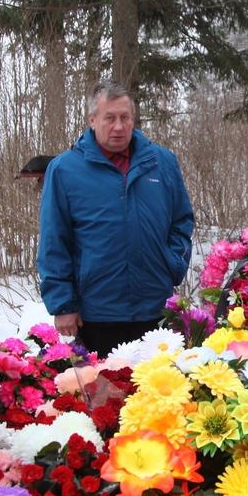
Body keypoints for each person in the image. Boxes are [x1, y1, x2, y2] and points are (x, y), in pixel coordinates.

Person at [38, 80, 194, 359]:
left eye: (125, 117)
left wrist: (172, 264)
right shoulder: (64, 170)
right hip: (98, 313)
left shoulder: (162, 162)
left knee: (160, 397)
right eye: (109, 118)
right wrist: (62, 304)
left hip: (154, 308)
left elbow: (181, 221)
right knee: (103, 398)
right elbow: (54, 241)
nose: (118, 126)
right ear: (92, 120)